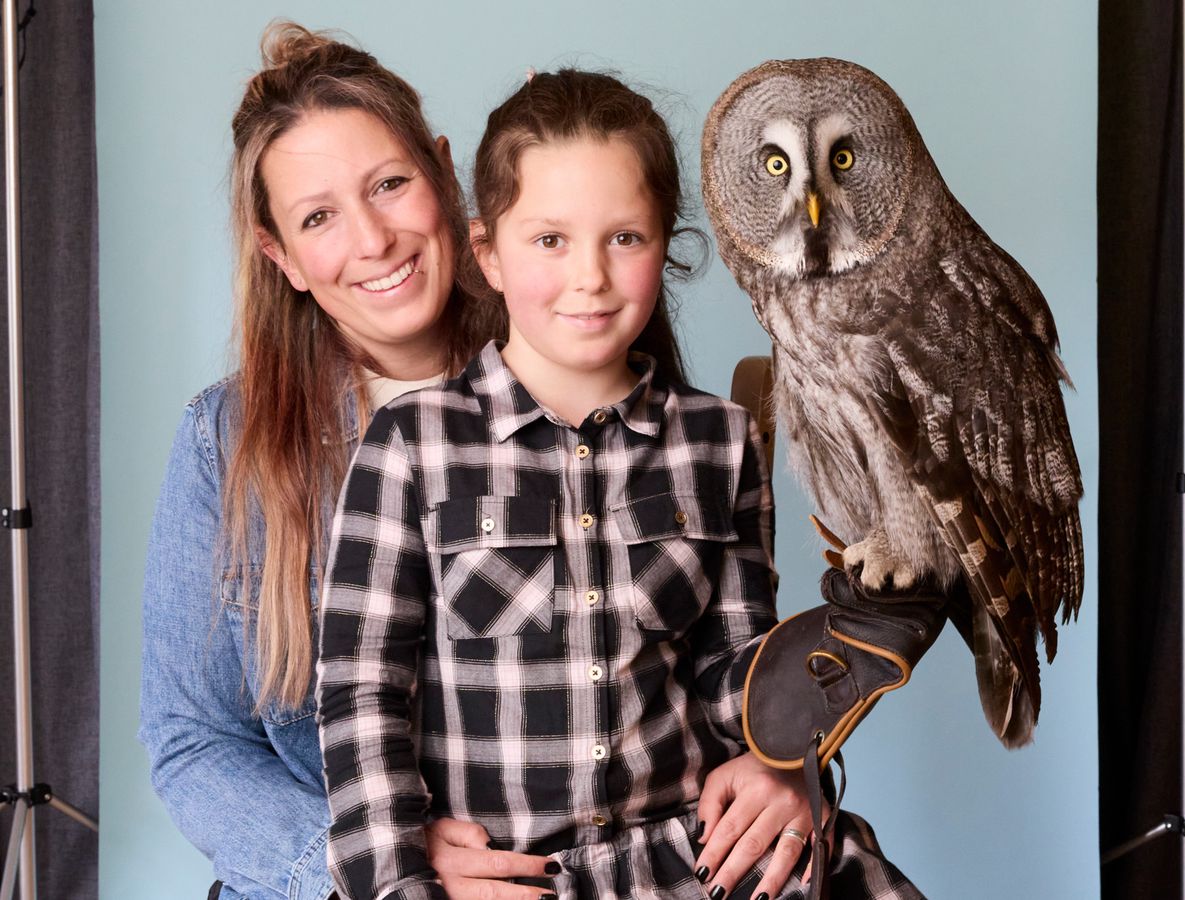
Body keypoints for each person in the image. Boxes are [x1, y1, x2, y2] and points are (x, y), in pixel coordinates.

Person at [139, 24, 823, 900]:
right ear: (282, 256)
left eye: (390, 185)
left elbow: (716, 659)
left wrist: (782, 769)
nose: (374, 239)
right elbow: (194, 743)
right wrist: (378, 865)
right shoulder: (227, 439)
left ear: (446, 178)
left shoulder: (584, 352)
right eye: (318, 217)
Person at [317, 69, 922, 900]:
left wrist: (811, 712)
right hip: (518, 879)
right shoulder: (409, 448)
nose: (591, 278)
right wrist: (398, 887)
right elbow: (361, 703)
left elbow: (730, 681)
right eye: (550, 241)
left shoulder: (719, 440)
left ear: (668, 243)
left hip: (688, 860)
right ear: (487, 252)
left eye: (625, 238)